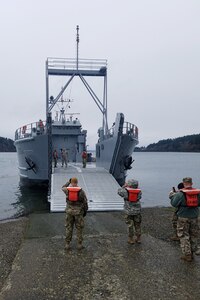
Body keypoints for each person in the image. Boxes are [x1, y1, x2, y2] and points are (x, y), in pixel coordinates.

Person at [169, 177, 200, 262]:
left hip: (183, 217)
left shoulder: (180, 194)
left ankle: (187, 255)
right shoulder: (197, 193)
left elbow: (174, 204)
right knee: (194, 235)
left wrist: (172, 196)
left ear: (183, 183)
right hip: (195, 217)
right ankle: (193, 252)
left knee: (183, 235)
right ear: (192, 183)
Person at [62, 177, 88, 250]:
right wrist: (85, 211)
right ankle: (79, 244)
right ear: (77, 182)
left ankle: (67, 244)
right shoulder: (81, 191)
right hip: (78, 213)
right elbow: (85, 202)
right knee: (79, 228)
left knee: (69, 228)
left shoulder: (67, 190)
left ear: (71, 182)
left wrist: (68, 182)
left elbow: (62, 187)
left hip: (69, 212)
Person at [118, 179, 142, 244]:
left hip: (129, 212)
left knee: (130, 225)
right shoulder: (139, 192)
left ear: (129, 185)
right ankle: (138, 238)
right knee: (137, 224)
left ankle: (131, 239)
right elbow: (139, 197)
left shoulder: (125, 192)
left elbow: (119, 192)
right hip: (137, 211)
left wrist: (124, 186)